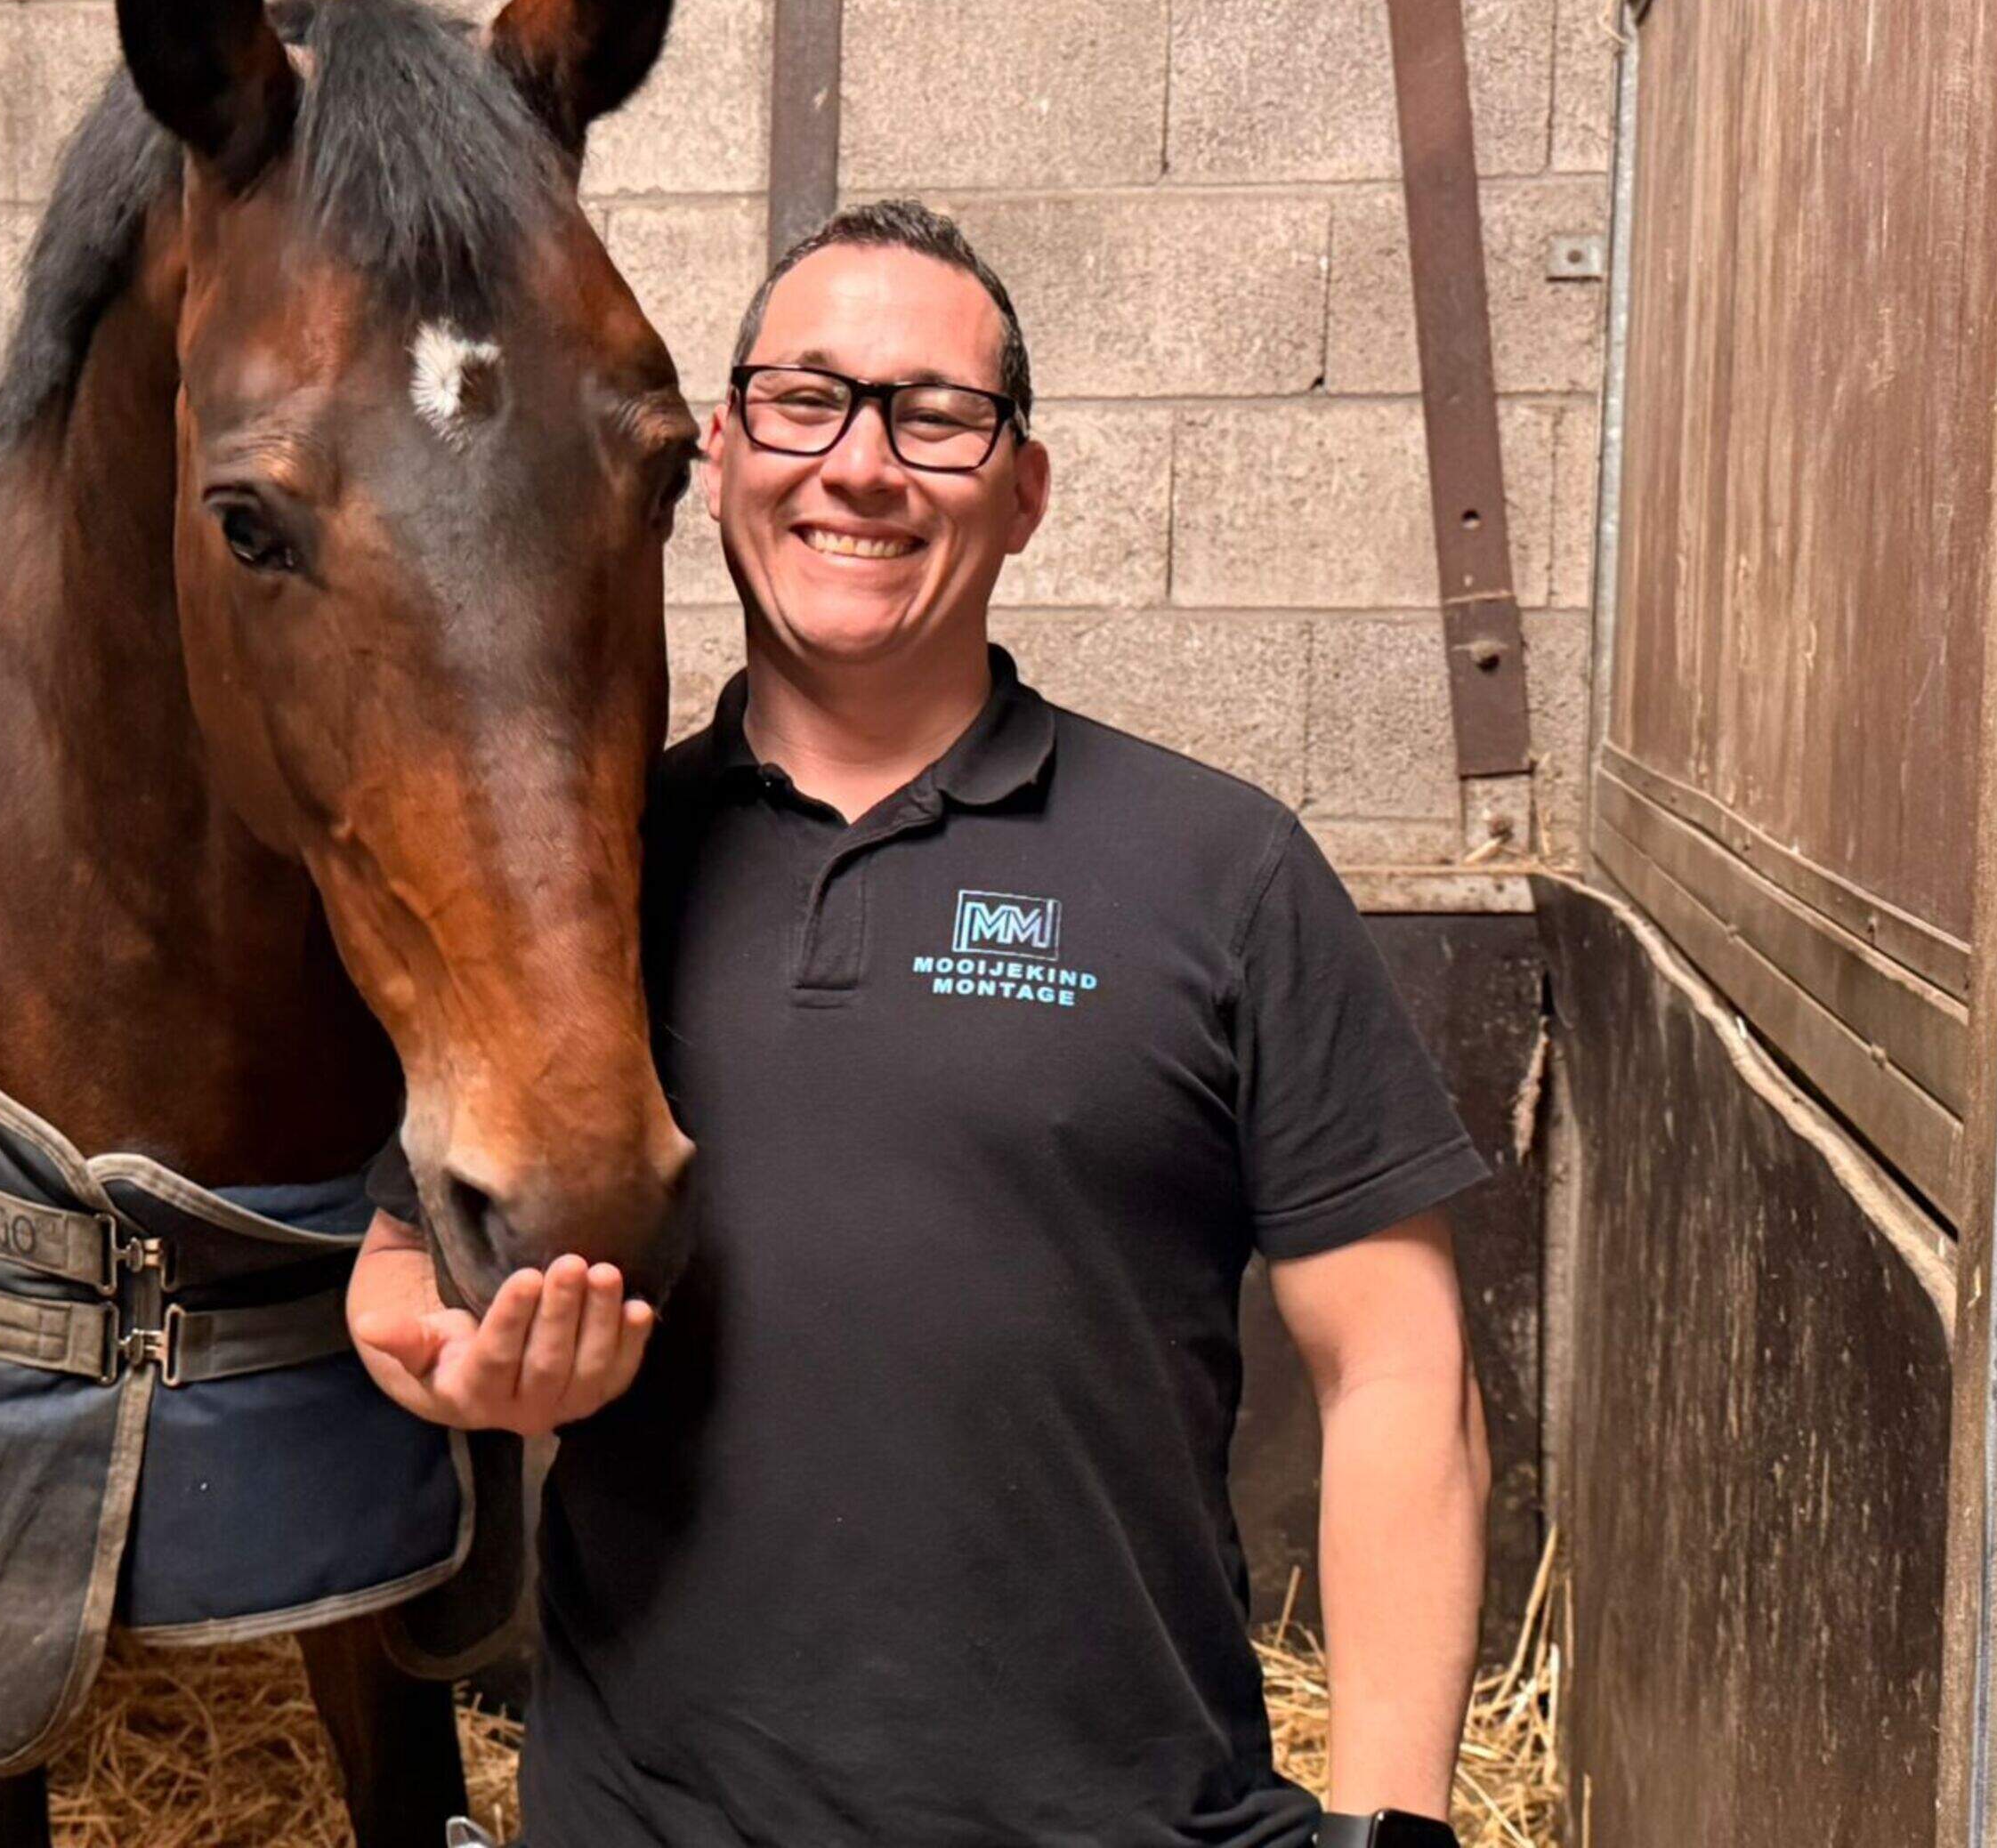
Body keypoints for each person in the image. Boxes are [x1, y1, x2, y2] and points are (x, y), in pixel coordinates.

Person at [348, 200, 1491, 1848]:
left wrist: (1395, 1828)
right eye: (806, 401)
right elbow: (398, 1260)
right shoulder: (575, 886)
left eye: (936, 417)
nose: (862, 466)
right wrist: (453, 1364)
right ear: (719, 457)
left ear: (1024, 490)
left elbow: (1394, 1365)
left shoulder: (1222, 869)